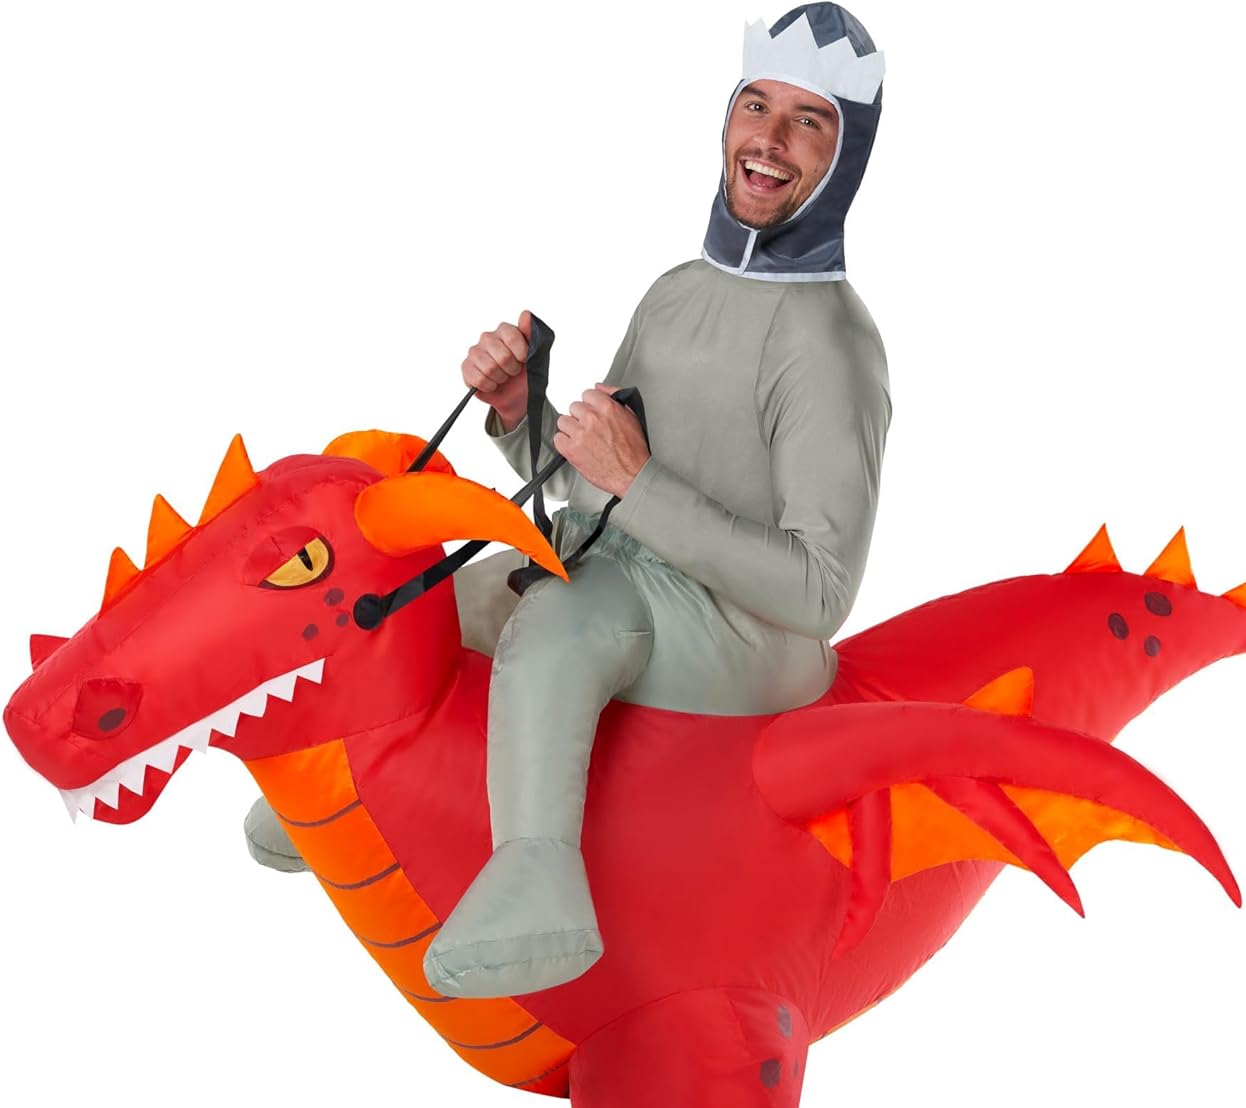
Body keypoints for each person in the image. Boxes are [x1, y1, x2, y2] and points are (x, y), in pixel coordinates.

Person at [249, 5, 893, 1001]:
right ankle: (350, 795)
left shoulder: (831, 345)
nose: (769, 138)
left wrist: (638, 482)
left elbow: (820, 593)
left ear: (844, 156)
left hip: (750, 637)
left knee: (556, 622)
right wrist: (523, 414)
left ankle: (539, 890)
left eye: (808, 121)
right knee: (450, 598)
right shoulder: (676, 291)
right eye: (756, 106)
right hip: (633, 572)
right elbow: (593, 491)